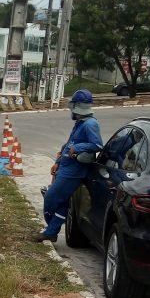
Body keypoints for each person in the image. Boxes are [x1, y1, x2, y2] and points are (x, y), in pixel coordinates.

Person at [38, 89, 103, 242]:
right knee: (62, 201)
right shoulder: (80, 123)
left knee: (50, 198)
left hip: (74, 172)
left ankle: (51, 229)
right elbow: (69, 144)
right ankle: (51, 231)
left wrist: (79, 149)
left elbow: (97, 145)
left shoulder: (90, 124)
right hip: (65, 168)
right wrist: (58, 162)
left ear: (76, 107)